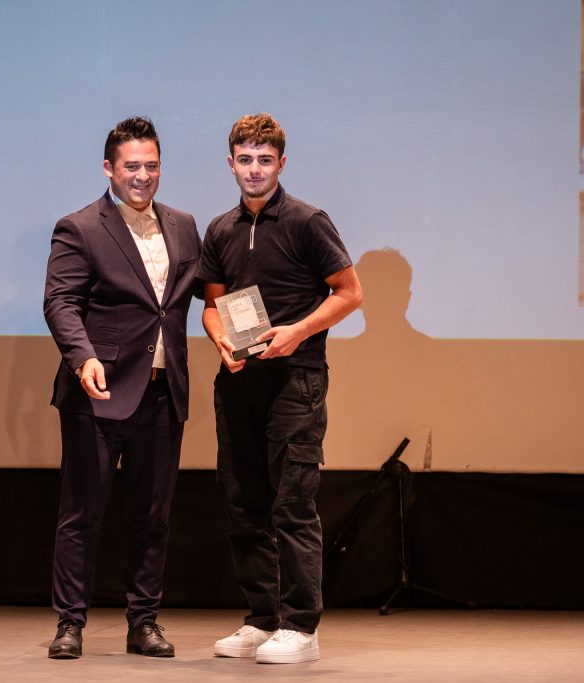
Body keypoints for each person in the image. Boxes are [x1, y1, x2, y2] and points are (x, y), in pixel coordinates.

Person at [199, 113, 362, 664]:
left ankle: (301, 627)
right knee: (244, 502)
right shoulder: (220, 229)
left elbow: (350, 293)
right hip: (239, 381)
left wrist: (298, 331)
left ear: (281, 164)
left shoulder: (307, 221)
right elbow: (213, 305)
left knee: (292, 503)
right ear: (231, 163)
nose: (254, 169)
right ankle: (261, 619)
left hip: (297, 379)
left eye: (264, 160)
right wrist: (221, 341)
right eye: (245, 159)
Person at [43, 116, 200, 659]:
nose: (142, 176)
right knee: (82, 515)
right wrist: (82, 357)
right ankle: (70, 623)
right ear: (108, 168)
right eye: (132, 166)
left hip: (163, 392)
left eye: (151, 166)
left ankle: (144, 622)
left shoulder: (183, 225)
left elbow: (208, 292)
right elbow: (60, 302)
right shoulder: (80, 227)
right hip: (99, 393)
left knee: (152, 517)